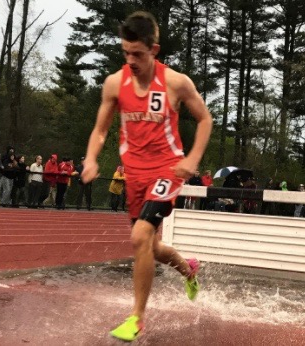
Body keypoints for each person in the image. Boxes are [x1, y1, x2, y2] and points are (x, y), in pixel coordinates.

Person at [81, 11, 212, 342]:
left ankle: (137, 319)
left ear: (154, 50)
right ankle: (188, 269)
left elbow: (205, 120)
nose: (131, 60)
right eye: (125, 52)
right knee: (150, 247)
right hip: (135, 176)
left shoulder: (176, 83)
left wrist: (192, 159)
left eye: (137, 53)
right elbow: (100, 130)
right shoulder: (115, 83)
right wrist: (91, 158)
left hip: (168, 168)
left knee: (139, 237)